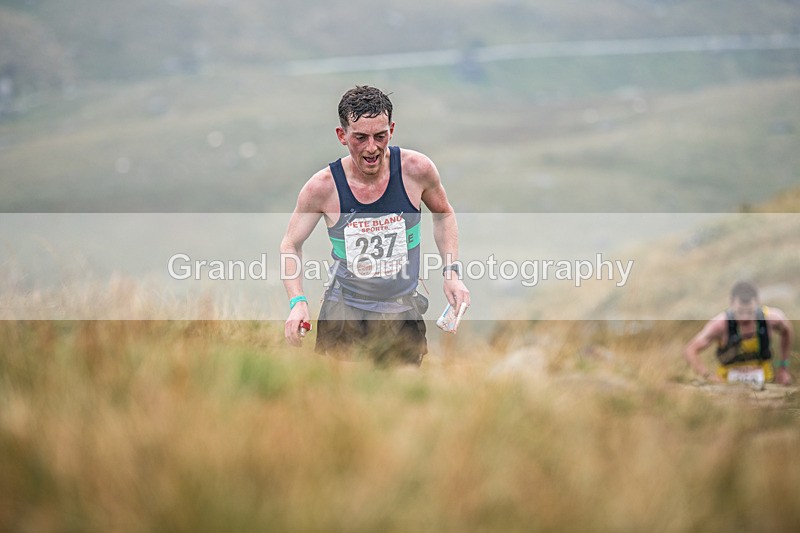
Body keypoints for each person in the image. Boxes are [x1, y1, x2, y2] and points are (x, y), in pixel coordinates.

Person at [280, 85, 470, 365]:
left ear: (391, 130)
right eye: (360, 138)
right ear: (342, 135)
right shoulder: (322, 187)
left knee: (403, 391)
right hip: (344, 313)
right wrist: (297, 302)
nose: (371, 148)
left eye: (380, 136)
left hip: (402, 312)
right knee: (347, 393)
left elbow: (443, 213)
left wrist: (451, 273)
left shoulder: (416, 170)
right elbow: (290, 244)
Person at [684, 281, 793, 385]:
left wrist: (783, 368)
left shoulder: (772, 319)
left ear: (757, 302)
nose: (745, 318)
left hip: (767, 385)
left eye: (749, 312)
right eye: (740, 312)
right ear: (731, 303)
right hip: (726, 388)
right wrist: (707, 376)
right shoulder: (720, 324)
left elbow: (787, 331)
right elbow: (690, 349)